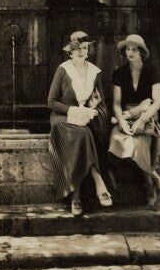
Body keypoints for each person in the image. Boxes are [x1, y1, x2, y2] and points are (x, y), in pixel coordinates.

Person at [47, 30, 113, 216]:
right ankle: (98, 180)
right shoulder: (63, 70)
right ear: (70, 51)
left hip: (85, 118)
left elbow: (102, 104)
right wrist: (73, 110)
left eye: (85, 48)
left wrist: (94, 107)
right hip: (63, 118)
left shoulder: (94, 72)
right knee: (83, 134)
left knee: (85, 132)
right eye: (78, 49)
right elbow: (51, 102)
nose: (82, 52)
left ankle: (76, 198)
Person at [109, 33, 160, 208]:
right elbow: (116, 104)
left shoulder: (152, 71)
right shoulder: (119, 73)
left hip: (147, 116)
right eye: (127, 48)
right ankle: (118, 189)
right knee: (116, 140)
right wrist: (121, 120)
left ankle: (149, 187)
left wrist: (142, 119)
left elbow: (157, 103)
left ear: (141, 52)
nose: (130, 52)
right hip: (125, 115)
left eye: (134, 49)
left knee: (139, 145)